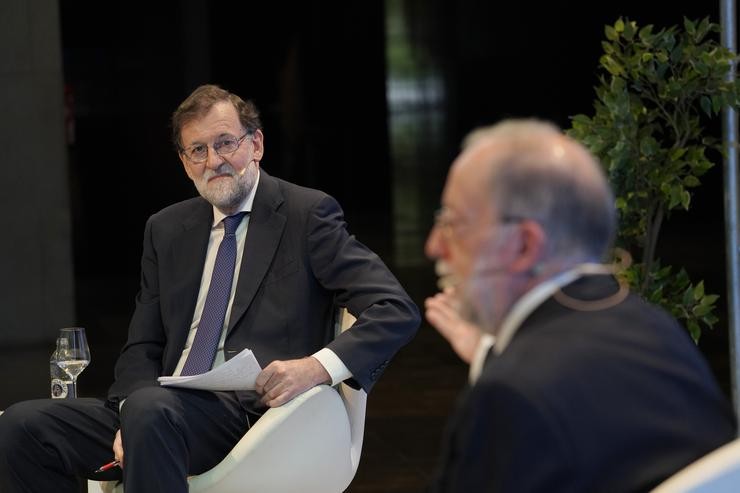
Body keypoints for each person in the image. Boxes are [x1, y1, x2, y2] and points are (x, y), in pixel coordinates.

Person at [0, 84, 420, 492]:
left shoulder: (305, 215)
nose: (213, 160)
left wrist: (314, 367)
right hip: (159, 410)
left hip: (252, 416)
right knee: (21, 427)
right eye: (197, 150)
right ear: (185, 163)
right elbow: (142, 348)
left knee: (151, 411)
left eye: (225, 143)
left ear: (255, 145)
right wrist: (130, 414)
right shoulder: (167, 229)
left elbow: (394, 308)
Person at [424, 119, 736, 492]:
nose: (434, 246)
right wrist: (492, 355)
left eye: (453, 224)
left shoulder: (510, 394)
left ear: (524, 245)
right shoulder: (655, 329)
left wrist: (501, 368)